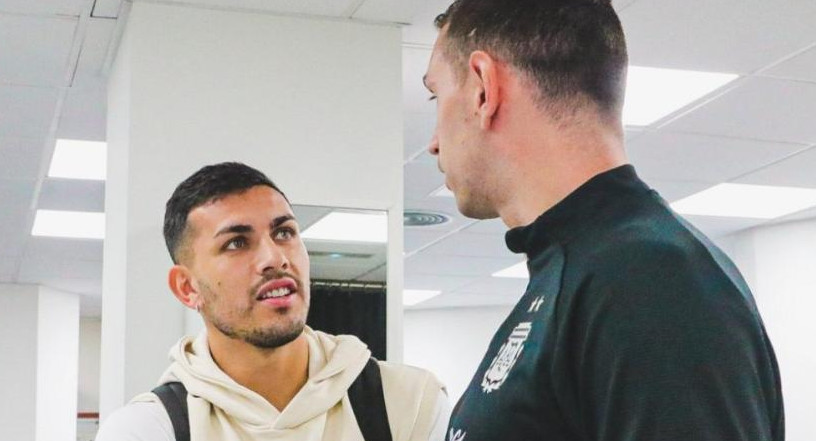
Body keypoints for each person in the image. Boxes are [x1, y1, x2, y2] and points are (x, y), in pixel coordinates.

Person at [423, 1, 784, 440]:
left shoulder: (649, 280)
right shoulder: (581, 272)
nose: (434, 144)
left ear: (483, 88)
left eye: (434, 95)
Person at [96, 162, 449, 441]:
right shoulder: (147, 429)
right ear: (187, 287)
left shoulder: (408, 402)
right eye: (236, 242)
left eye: (284, 233)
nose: (275, 257)